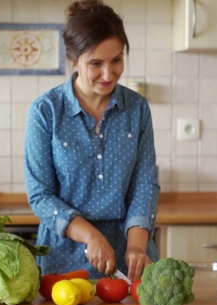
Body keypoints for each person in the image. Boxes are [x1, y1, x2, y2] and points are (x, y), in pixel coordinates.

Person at [23, 0, 160, 281]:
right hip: (65, 256)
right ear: (74, 58)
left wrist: (136, 246)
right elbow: (40, 195)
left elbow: (145, 185)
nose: (108, 74)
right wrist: (91, 236)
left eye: (117, 60)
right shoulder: (46, 110)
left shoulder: (137, 108)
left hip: (130, 253)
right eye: (96, 63)